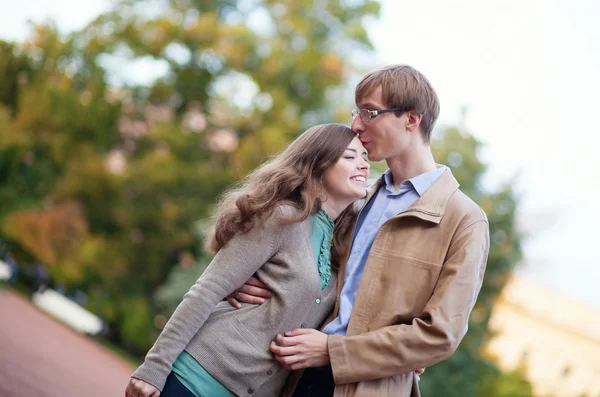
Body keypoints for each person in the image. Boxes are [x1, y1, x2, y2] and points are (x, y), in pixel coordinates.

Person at [231, 64, 490, 397]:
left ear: (411, 119)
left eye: (370, 113)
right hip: (292, 375)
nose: (355, 125)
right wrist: (243, 280)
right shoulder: (354, 197)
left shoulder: (465, 221)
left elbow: (440, 335)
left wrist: (332, 351)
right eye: (357, 113)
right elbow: (292, 258)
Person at [124, 123, 371, 397]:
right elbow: (207, 291)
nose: (363, 166)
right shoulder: (282, 217)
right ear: (318, 163)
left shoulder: (342, 248)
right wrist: (153, 368)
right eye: (350, 157)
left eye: (365, 158)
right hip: (195, 380)